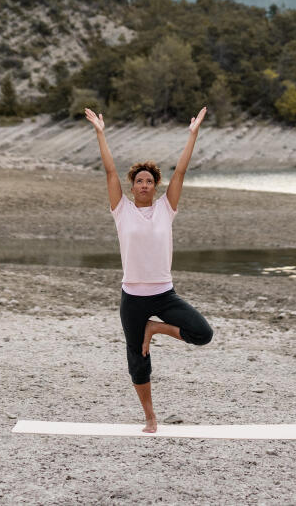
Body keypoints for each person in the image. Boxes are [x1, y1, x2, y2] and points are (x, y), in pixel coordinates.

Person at [86, 105, 215, 433]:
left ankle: (154, 329)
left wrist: (193, 134)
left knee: (203, 333)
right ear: (132, 186)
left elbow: (182, 172)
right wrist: (101, 133)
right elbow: (110, 172)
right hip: (133, 297)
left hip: (164, 296)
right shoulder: (121, 210)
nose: (144, 185)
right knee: (137, 361)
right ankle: (150, 417)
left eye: (149, 181)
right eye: (139, 181)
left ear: (156, 186)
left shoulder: (165, 208)